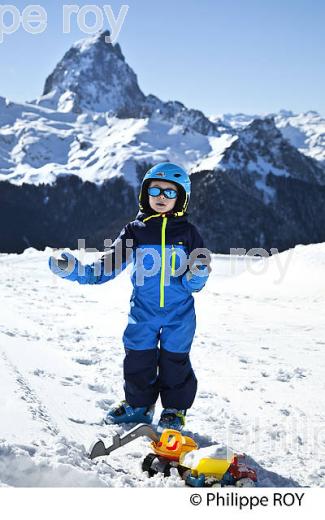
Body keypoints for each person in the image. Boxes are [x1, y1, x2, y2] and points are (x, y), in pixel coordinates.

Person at [49, 162, 211, 432]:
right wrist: (74, 270)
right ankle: (138, 407)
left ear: (181, 199)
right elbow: (105, 268)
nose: (161, 197)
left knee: (175, 361)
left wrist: (198, 273)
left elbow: (195, 282)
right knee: (138, 357)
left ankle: (174, 410)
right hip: (143, 311)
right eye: (155, 190)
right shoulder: (135, 231)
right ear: (145, 194)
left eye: (170, 193)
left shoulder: (189, 234)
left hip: (179, 313)